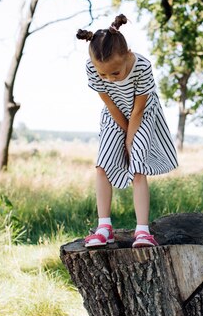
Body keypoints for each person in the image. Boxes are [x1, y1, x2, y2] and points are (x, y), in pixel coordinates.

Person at [76, 14, 178, 249]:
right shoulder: (93, 66)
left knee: (137, 165)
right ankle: (104, 228)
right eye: (104, 75)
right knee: (103, 165)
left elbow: (138, 110)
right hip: (114, 115)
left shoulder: (141, 66)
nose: (110, 79)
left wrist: (131, 142)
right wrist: (120, 138)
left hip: (142, 114)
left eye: (115, 73)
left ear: (128, 55)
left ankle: (142, 231)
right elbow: (110, 104)